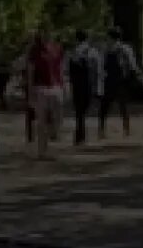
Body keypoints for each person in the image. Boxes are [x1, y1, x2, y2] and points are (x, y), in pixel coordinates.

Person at [25, 28, 64, 159]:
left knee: (57, 117)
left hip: (55, 87)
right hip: (40, 87)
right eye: (44, 34)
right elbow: (30, 71)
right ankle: (42, 151)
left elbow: (60, 68)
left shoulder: (57, 48)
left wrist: (63, 85)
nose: (46, 36)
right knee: (41, 122)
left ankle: (54, 133)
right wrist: (30, 92)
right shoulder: (35, 51)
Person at [98, 26, 141, 138]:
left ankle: (101, 130)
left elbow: (102, 65)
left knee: (104, 106)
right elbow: (132, 64)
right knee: (123, 105)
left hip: (109, 80)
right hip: (121, 80)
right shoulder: (125, 48)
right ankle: (126, 130)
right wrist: (137, 73)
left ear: (110, 36)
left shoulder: (106, 49)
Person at [66, 29, 101, 146]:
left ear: (77, 39)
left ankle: (79, 134)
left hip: (77, 84)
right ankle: (81, 134)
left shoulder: (73, 52)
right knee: (84, 110)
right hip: (89, 83)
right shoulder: (93, 51)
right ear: (87, 38)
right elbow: (97, 70)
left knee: (79, 111)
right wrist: (97, 86)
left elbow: (68, 70)